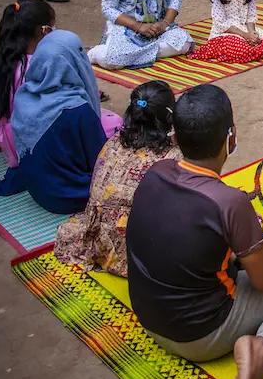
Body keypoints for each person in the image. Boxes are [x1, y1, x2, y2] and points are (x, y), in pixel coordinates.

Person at [126, 84, 263, 379]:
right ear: (231, 137)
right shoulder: (229, 202)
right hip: (201, 336)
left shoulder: (155, 172)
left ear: (174, 138)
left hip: (150, 322)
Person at [54, 81, 181, 276]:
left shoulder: (114, 142)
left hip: (99, 242)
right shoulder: (172, 157)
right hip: (137, 253)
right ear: (170, 116)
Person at [0, 30, 114, 214]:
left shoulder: (24, 96)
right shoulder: (79, 110)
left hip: (41, 193)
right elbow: (101, 162)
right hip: (74, 196)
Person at [0, 0, 56, 167]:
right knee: (110, 122)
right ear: (43, 30)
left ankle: (1, 141)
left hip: (9, 134)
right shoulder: (40, 64)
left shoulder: (6, 62)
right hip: (36, 138)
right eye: (52, 27)